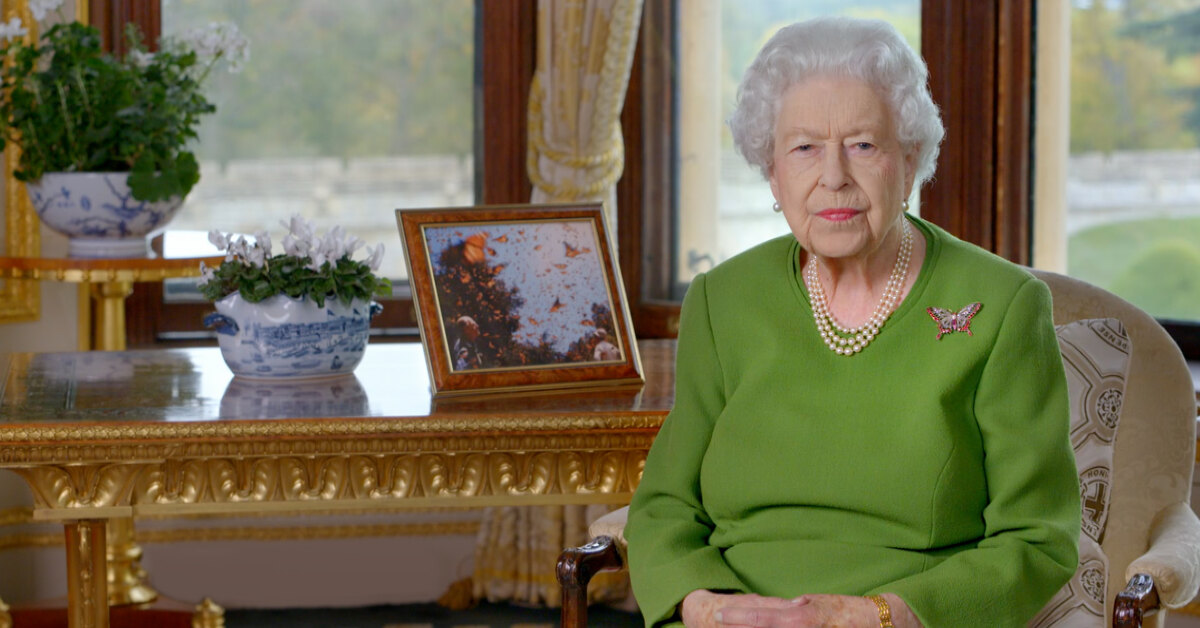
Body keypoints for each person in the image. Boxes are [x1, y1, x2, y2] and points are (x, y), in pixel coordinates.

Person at [624, 16, 1080, 628]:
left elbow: (1038, 539)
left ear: (910, 159)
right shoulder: (722, 300)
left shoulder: (1003, 304)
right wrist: (708, 607)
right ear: (772, 171)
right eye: (804, 148)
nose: (834, 176)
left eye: (863, 145)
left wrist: (867, 615)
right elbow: (664, 505)